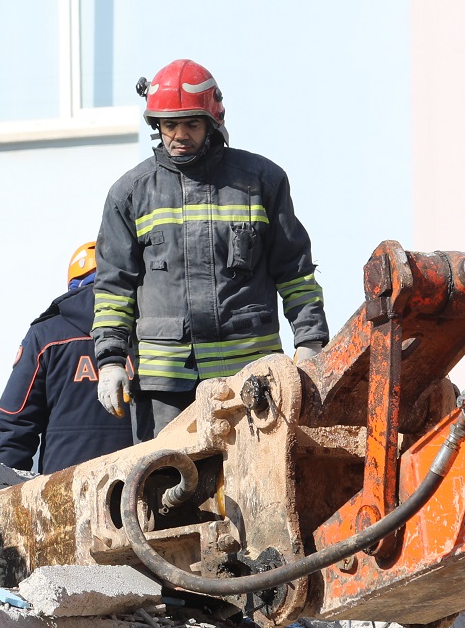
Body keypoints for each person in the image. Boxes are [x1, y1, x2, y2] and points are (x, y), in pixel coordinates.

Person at [93, 59, 329, 439]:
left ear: (213, 122)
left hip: (253, 382)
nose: (179, 135)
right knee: (165, 492)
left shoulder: (262, 182)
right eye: (170, 125)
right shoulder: (129, 195)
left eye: (191, 124)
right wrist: (110, 361)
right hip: (166, 390)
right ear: (157, 125)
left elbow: (295, 271)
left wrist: (310, 341)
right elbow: (113, 288)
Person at [0, 243, 131, 473]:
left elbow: (15, 424)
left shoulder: (45, 336)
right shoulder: (150, 332)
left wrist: (5, 493)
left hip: (64, 496)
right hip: (144, 489)